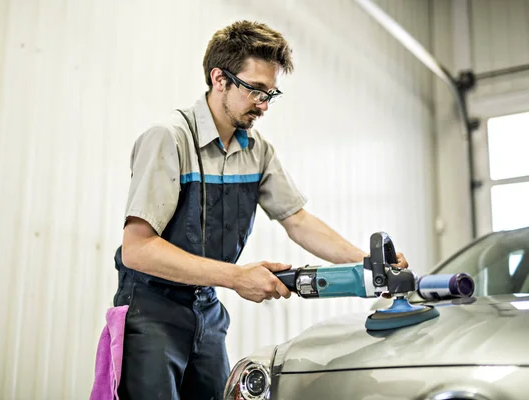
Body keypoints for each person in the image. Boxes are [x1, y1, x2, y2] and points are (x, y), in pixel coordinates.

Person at [113, 20, 408, 400]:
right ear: (219, 79)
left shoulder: (257, 150)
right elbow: (138, 249)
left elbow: (297, 220)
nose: (265, 105)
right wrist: (236, 277)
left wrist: (367, 262)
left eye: (271, 93)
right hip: (151, 312)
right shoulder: (168, 138)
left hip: (207, 311)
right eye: (255, 90)